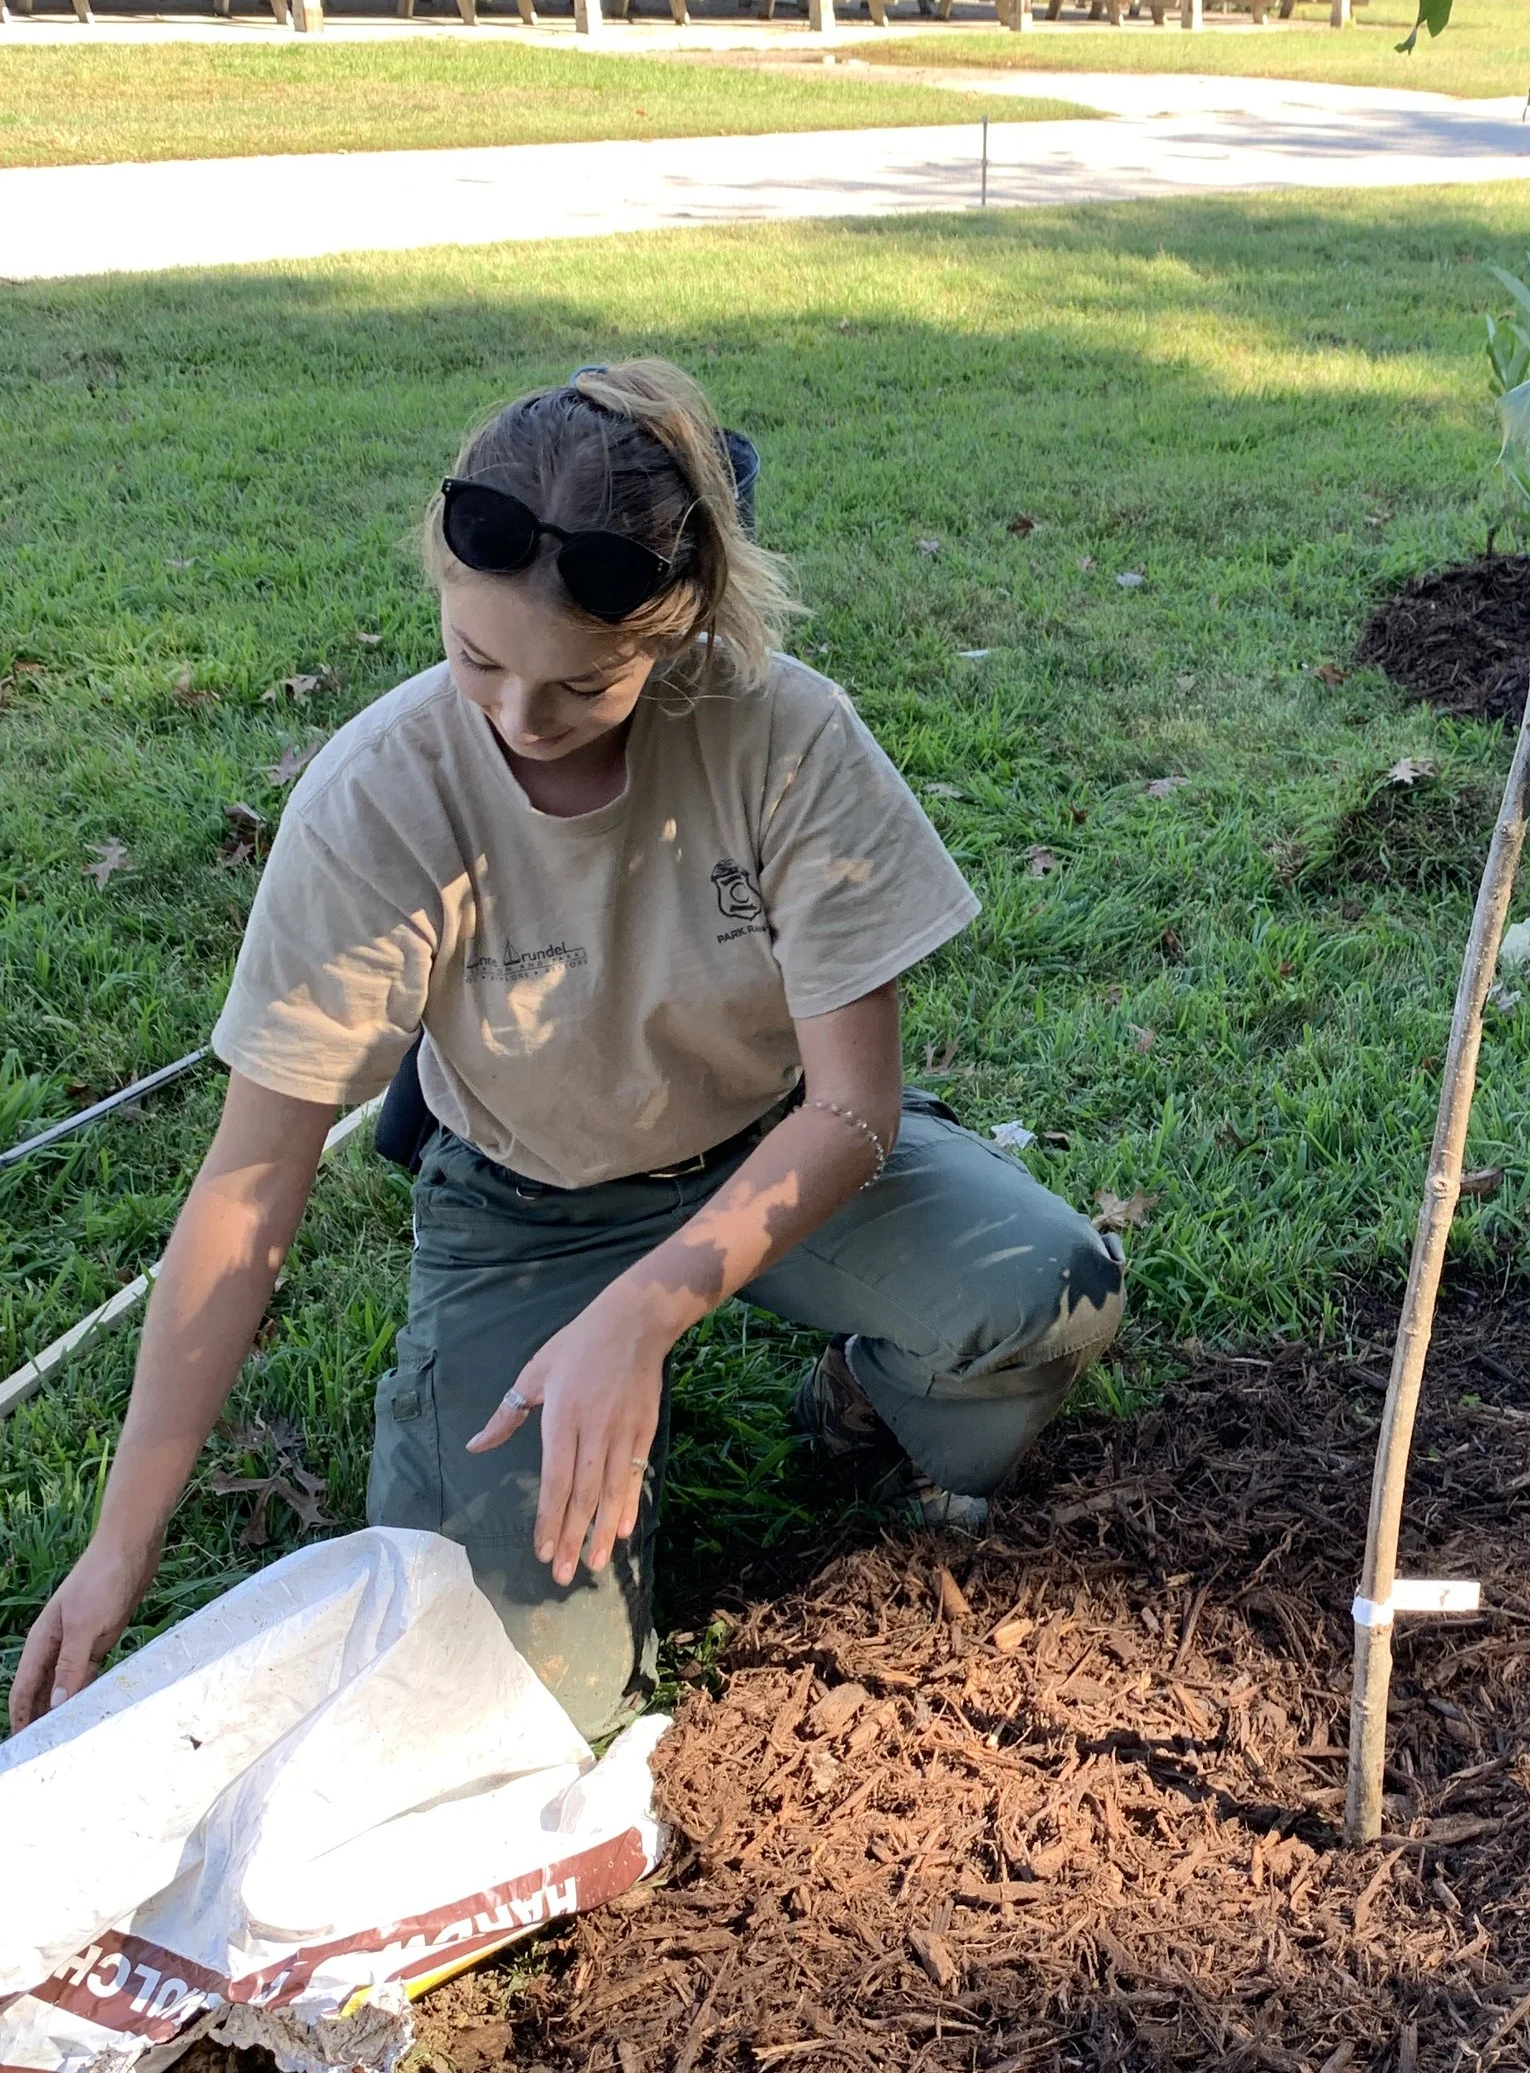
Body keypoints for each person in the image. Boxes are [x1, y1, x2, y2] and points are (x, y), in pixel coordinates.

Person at [10, 360, 1124, 1743]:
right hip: (522, 1212)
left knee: (1050, 1295)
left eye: (583, 683)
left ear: (679, 625)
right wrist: (118, 1549)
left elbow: (852, 1107)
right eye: (478, 660)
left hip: (770, 1157)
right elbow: (248, 1187)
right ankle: (566, 1456)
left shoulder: (786, 733)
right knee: (516, 1712)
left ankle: (851, 1397)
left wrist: (651, 1306)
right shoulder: (378, 801)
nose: (519, 722)